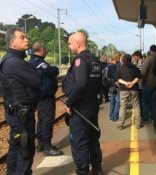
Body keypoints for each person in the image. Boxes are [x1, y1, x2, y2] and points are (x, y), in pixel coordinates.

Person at [0, 27, 41, 175]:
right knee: (25, 150)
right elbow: (37, 80)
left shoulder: (12, 60)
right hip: (21, 115)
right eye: (22, 37)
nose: (27, 39)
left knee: (16, 148)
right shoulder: (14, 62)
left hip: (17, 113)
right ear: (12, 42)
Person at [62, 32, 103, 175]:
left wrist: (69, 102)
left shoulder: (80, 60)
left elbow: (80, 83)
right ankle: (97, 168)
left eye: (69, 43)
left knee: (79, 141)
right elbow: (99, 83)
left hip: (80, 108)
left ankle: (82, 171)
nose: (68, 46)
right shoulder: (95, 59)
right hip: (92, 104)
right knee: (93, 137)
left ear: (77, 43)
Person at [28, 42, 63, 156]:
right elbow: (52, 71)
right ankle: (47, 147)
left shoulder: (31, 61)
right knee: (48, 120)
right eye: (45, 49)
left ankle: (41, 144)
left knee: (42, 120)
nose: (46, 51)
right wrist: (55, 68)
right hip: (45, 97)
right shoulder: (39, 63)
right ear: (42, 50)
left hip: (39, 97)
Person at [115, 54, 143, 129]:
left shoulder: (120, 68)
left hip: (123, 90)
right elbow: (138, 77)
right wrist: (132, 83)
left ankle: (120, 125)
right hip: (134, 89)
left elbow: (117, 79)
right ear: (131, 59)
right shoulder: (135, 68)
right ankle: (138, 124)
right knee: (136, 106)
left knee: (123, 107)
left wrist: (126, 83)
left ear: (123, 60)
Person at [141, 45, 156, 123]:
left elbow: (144, 72)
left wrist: (142, 82)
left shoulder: (149, 59)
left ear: (150, 50)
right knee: (154, 102)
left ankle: (145, 118)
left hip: (148, 83)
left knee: (145, 102)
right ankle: (153, 118)